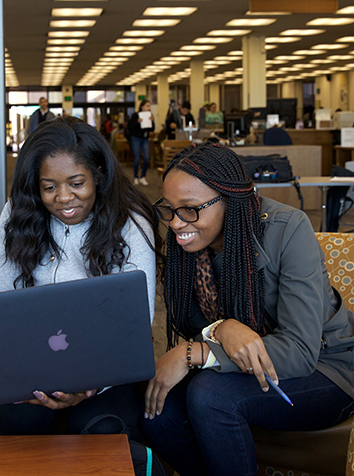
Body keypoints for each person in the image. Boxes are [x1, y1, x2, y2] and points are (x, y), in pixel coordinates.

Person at [142, 142, 354, 476]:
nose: (176, 223)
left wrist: (194, 352)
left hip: (326, 369)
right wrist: (220, 329)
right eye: (168, 208)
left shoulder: (289, 229)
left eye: (190, 209)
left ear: (229, 199)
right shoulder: (189, 246)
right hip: (246, 367)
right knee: (157, 407)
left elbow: (300, 351)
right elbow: (195, 326)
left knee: (210, 395)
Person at [0, 116, 162, 440]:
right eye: (49, 187)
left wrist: (91, 385)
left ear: (98, 176)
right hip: (32, 363)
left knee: (103, 428)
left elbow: (135, 325)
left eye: (77, 183)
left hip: (108, 366)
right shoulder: (18, 214)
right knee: (19, 422)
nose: (64, 197)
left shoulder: (131, 225)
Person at [127, 99, 155, 186]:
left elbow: (152, 129)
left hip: (145, 139)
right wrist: (137, 122)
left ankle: (143, 176)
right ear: (142, 106)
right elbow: (130, 127)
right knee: (137, 158)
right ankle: (135, 177)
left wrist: (152, 122)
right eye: (147, 105)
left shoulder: (150, 115)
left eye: (149, 106)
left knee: (147, 158)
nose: (148, 107)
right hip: (136, 138)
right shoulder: (136, 115)